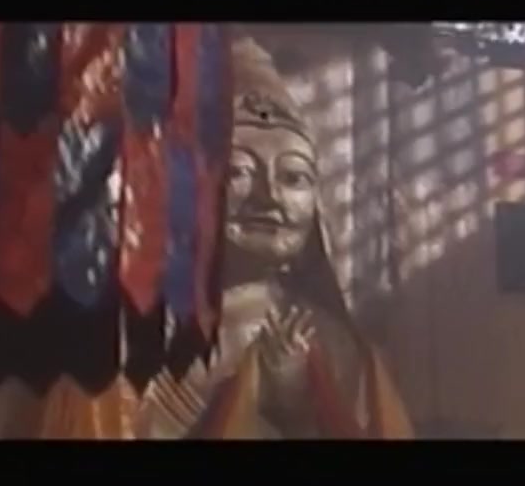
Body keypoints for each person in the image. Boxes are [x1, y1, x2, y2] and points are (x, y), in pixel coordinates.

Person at [135, 38, 413, 439]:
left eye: (294, 177)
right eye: (239, 171)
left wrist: (298, 403)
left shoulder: (332, 342)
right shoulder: (144, 329)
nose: (269, 197)